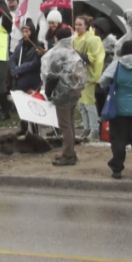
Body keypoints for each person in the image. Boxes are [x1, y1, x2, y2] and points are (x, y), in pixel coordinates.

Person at [100, 41, 132, 180]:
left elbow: (102, 81)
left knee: (118, 139)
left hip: (119, 108)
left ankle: (117, 168)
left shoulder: (116, 65)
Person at [41, 27, 87, 166]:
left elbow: (52, 76)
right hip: (75, 91)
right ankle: (71, 152)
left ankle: (68, 156)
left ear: (57, 39)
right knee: (70, 123)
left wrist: (48, 93)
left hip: (62, 94)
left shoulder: (57, 54)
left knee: (65, 125)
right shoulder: (74, 53)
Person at [73, 15, 105, 141]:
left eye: (80, 24)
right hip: (79, 76)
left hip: (89, 76)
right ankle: (86, 128)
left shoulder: (92, 40)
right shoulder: (75, 38)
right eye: (76, 24)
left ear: (86, 26)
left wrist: (78, 54)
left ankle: (94, 129)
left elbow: (93, 58)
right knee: (81, 104)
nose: (77, 27)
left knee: (89, 103)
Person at [10, 23, 42, 136]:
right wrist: (14, 70)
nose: (25, 34)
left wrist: (19, 69)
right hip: (20, 81)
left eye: (27, 32)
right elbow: (13, 59)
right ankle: (23, 127)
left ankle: (34, 130)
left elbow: (34, 63)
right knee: (22, 105)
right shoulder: (20, 45)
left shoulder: (37, 45)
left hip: (32, 80)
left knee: (32, 105)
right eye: (23, 31)